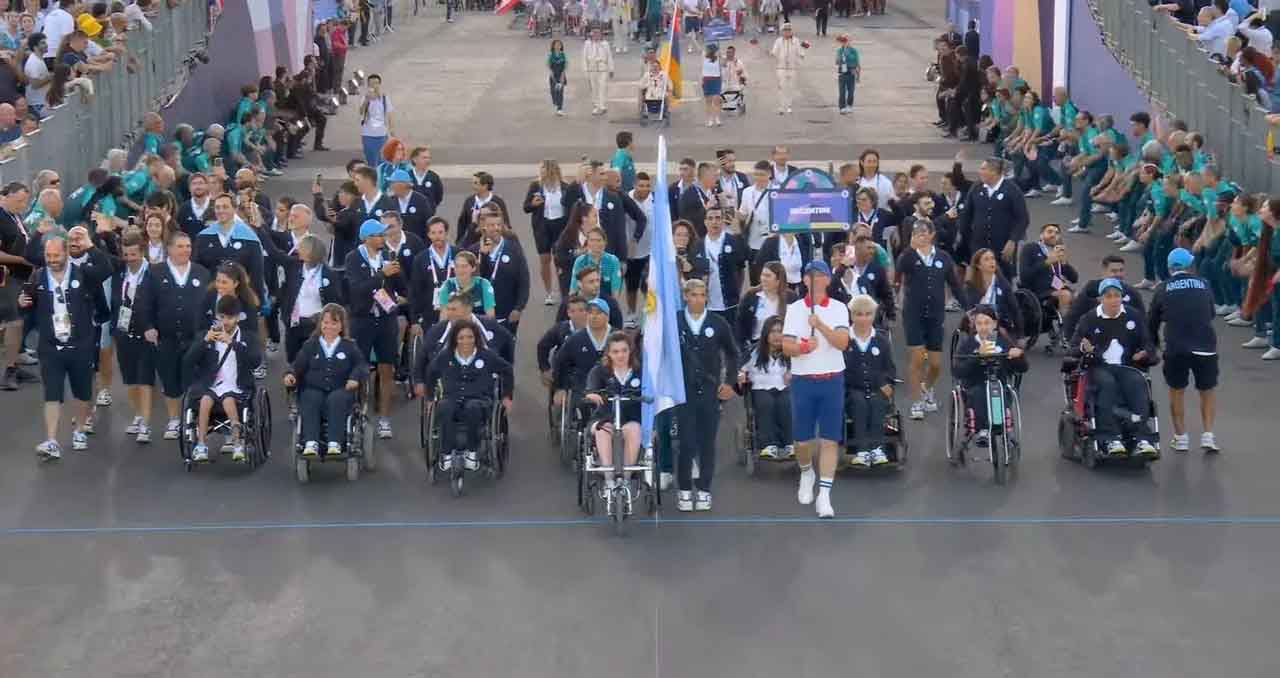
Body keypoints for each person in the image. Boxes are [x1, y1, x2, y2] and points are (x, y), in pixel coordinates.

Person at [21, 233, 113, 459]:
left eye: (56, 255)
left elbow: (107, 269)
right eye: (48, 255)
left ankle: (80, 430)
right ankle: (52, 440)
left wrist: (90, 246)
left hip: (80, 344)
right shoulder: (39, 277)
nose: (52, 259)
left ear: (66, 253)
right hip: (50, 346)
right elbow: (28, 307)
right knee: (52, 393)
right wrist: (22, 303)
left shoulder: (83, 274)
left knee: (82, 392)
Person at [782, 261, 850, 518]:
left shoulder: (839, 308)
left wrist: (820, 325)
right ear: (804, 281)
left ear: (828, 280)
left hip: (832, 379)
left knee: (830, 439)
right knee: (802, 440)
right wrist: (802, 348)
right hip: (803, 380)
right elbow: (786, 346)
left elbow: (842, 342)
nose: (816, 280)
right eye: (811, 276)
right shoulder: (794, 309)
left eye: (821, 275)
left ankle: (825, 494)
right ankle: (806, 471)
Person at [1070, 278, 1159, 458]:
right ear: (1101, 299)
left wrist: (1143, 353)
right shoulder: (1090, 319)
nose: (1113, 300)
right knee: (1107, 383)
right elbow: (1074, 345)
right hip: (1098, 366)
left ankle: (1142, 437)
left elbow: (1149, 343)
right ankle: (1109, 437)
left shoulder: (1133, 316)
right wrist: (1083, 348)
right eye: (1109, 296)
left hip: (1127, 366)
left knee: (1137, 382)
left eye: (1117, 296)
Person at [1148, 248, 1221, 453]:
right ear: (1190, 265)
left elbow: (1152, 320)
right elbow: (1211, 312)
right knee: (1207, 391)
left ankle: (1181, 438)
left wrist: (1152, 344)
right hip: (1205, 346)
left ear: (1170, 268)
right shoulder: (1204, 284)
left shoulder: (1163, 288)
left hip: (1176, 347)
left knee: (1176, 391)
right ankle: (1208, 435)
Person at [675, 279, 738, 512]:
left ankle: (704, 488)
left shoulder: (717, 323)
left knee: (707, 443)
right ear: (686, 296)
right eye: (694, 295)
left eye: (702, 295)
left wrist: (730, 382)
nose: (698, 299)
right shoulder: (676, 321)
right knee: (687, 441)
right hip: (683, 390)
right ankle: (683, 489)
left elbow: (733, 354)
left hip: (710, 390)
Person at [897, 219, 965, 420]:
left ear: (932, 234)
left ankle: (927, 388)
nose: (921, 235)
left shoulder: (943, 258)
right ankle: (916, 401)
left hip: (935, 315)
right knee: (917, 358)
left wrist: (969, 306)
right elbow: (900, 270)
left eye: (924, 232)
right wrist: (909, 249)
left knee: (935, 364)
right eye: (917, 232)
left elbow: (954, 284)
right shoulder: (909, 256)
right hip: (913, 314)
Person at [345, 219, 407, 439]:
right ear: (367, 238)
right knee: (359, 367)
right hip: (362, 319)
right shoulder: (353, 258)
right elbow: (357, 290)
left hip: (386, 320)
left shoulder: (389, 256)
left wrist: (399, 280)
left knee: (386, 367)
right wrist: (382, 275)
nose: (383, 238)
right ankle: (358, 411)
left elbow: (402, 287)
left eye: (383, 235)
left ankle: (384, 418)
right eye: (379, 235)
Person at [284, 303, 368, 458]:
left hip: (340, 388)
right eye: (326, 322)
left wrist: (354, 378)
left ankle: (335, 442)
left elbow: (361, 365)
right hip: (314, 388)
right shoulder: (311, 345)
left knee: (337, 399)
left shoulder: (349, 346)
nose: (329, 326)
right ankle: (310, 442)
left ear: (341, 326)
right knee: (309, 397)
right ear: (320, 324)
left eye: (334, 323)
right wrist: (290, 374)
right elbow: (298, 364)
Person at [183, 296, 260, 463]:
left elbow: (256, 362)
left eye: (230, 318)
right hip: (212, 384)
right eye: (222, 317)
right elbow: (188, 361)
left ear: (238, 317)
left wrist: (233, 343)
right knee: (204, 400)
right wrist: (204, 342)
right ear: (217, 316)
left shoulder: (248, 337)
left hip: (237, 385)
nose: (225, 322)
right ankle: (202, 444)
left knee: (228, 399)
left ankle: (237, 441)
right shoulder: (208, 335)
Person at [953, 305, 1028, 447]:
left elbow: (1023, 368)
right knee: (981, 392)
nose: (983, 327)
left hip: (999, 385)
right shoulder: (968, 344)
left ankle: (1003, 426)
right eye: (979, 323)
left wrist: (1018, 356)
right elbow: (957, 371)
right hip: (974, 386)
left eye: (987, 323)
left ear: (994, 324)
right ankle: (983, 430)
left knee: (1001, 391)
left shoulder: (1003, 342)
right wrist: (976, 356)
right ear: (974, 325)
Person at [109, 231, 157, 444]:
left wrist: (154, 327)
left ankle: (146, 423)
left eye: (133, 254)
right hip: (123, 330)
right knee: (129, 379)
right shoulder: (120, 272)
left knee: (144, 378)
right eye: (126, 254)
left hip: (146, 332)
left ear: (142, 251)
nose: (130, 259)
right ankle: (138, 415)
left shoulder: (154, 273)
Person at [583, 331, 643, 498]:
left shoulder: (639, 370)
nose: (620, 355)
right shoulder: (599, 371)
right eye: (615, 351)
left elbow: (650, 391)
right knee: (603, 431)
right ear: (609, 353)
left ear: (630, 351)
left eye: (624, 350)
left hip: (630, 417)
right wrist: (592, 394)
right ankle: (609, 480)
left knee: (635, 430)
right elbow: (589, 389)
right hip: (605, 416)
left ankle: (626, 479)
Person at [842, 294, 895, 465]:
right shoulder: (845, 340)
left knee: (877, 403)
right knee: (859, 403)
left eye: (867, 314)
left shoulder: (881, 340)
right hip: (853, 390)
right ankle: (862, 450)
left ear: (873, 315)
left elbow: (889, 368)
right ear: (852, 316)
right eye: (859, 314)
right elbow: (844, 370)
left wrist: (886, 383)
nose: (863, 318)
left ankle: (878, 448)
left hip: (877, 389)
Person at [957, 157, 1030, 281]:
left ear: (994, 172)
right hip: (979, 245)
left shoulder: (1012, 190)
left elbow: (1023, 218)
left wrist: (1013, 240)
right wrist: (966, 238)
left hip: (1003, 246)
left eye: (983, 169)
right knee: (979, 281)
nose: (980, 172)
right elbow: (966, 215)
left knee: (1004, 280)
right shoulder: (977, 188)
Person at [279, 234, 343, 364]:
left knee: (313, 364)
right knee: (293, 362)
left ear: (311, 252)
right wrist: (260, 229)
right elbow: (275, 254)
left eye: (302, 247)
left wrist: (323, 317)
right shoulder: (295, 266)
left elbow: (335, 302)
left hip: (316, 326)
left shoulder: (329, 274)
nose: (298, 249)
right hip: (295, 324)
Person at [739, 316, 793, 459]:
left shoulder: (791, 351)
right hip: (761, 388)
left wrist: (792, 375)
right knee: (766, 403)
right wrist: (741, 375)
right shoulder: (754, 352)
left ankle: (790, 444)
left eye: (780, 331)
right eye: (773, 331)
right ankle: (769, 445)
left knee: (786, 404)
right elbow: (740, 369)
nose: (777, 335)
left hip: (783, 388)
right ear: (766, 334)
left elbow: (802, 371)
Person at [195, 193, 266, 302]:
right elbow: (197, 269)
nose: (221, 210)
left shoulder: (250, 238)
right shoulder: (203, 237)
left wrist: (259, 304)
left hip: (240, 299)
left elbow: (256, 274)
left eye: (225, 207)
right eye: (217, 207)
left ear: (234, 209)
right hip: (210, 299)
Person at [552, 297, 615, 417]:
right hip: (582, 386)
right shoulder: (575, 339)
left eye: (599, 313)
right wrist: (561, 388)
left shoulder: (616, 337)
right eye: (590, 312)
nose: (594, 316)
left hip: (611, 385)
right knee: (581, 406)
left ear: (607, 316)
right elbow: (561, 363)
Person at [473, 208, 530, 336]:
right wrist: (484, 256)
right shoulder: (474, 250)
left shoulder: (513, 250)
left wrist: (518, 308)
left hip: (507, 312)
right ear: (484, 227)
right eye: (491, 225)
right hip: (480, 313)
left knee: (507, 350)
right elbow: (474, 280)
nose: (496, 228)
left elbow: (523, 280)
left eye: (498, 225)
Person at [1064, 254, 1147, 339]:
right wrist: (1068, 339)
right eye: (1114, 271)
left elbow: (1143, 321)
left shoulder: (1132, 293)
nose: (1118, 274)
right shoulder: (1091, 290)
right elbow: (1073, 316)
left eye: (1121, 270)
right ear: (1104, 272)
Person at [525, 160, 570, 305]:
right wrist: (533, 204)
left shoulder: (565, 187)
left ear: (553, 171)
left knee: (560, 260)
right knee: (544, 260)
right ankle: (549, 292)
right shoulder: (535, 186)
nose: (541, 172)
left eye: (544, 169)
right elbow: (526, 207)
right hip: (543, 226)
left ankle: (563, 290)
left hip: (561, 226)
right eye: (541, 169)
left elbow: (571, 207)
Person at [1019, 223, 1078, 324]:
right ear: (1041, 235)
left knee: (1081, 297)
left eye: (1056, 233)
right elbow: (1024, 276)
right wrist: (1046, 262)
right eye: (1049, 232)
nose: (1053, 235)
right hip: (1038, 290)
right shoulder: (1030, 248)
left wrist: (1064, 264)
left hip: (1057, 287)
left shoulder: (1058, 252)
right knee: (1066, 295)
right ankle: (1066, 331)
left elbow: (1074, 278)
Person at [736, 261, 798, 351]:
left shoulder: (791, 297)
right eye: (762, 275)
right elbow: (740, 323)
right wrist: (743, 346)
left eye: (768, 276)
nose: (763, 279)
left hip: (783, 347)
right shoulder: (751, 295)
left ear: (778, 280)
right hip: (756, 346)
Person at [409, 217, 457, 331]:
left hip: (455, 313)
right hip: (428, 316)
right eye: (433, 233)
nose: (437, 236)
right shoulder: (420, 259)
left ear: (446, 233)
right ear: (428, 235)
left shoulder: (458, 254)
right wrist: (415, 320)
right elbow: (415, 291)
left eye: (440, 232)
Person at [624, 172, 655, 325]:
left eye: (647, 185)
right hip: (632, 252)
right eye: (641, 185)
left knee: (648, 285)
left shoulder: (655, 199)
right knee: (631, 285)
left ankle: (649, 312)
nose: (645, 189)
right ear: (635, 185)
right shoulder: (626, 199)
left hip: (650, 251)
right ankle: (631, 313)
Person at [738, 160, 774, 282]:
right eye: (756, 174)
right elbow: (743, 214)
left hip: (772, 240)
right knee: (755, 278)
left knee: (772, 276)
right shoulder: (747, 192)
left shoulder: (776, 191)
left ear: (769, 174)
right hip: (753, 241)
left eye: (762, 175)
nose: (759, 178)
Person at [456, 171, 509, 247]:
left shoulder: (498, 202)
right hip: (472, 243)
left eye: (476, 183)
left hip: (493, 243)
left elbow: (505, 223)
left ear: (485, 186)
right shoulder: (469, 201)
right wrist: (459, 241)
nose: (473, 186)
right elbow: (462, 224)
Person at [436, 250, 495, 317]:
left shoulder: (483, 284)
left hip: (478, 324)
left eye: (464, 266)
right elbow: (444, 316)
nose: (460, 270)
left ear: (473, 268)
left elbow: (490, 316)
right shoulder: (447, 285)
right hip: (455, 325)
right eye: (457, 266)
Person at [570, 227, 623, 297]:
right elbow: (573, 289)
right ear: (587, 242)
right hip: (585, 301)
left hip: (606, 302)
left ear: (605, 242)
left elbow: (615, 291)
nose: (595, 243)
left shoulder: (613, 261)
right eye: (592, 240)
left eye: (599, 240)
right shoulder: (580, 261)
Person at [358, 74, 393, 167]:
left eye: (376, 83)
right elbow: (361, 112)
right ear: (368, 85)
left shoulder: (385, 98)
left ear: (380, 84)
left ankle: (381, 178)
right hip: (368, 133)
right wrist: (367, 100)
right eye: (371, 84)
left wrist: (391, 128)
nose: (374, 86)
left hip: (381, 133)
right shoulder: (365, 98)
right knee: (370, 158)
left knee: (382, 158)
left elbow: (389, 114)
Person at [771, 23, 806, 115]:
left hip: (792, 67)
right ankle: (782, 106)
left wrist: (802, 55)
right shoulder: (778, 41)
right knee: (782, 87)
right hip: (781, 67)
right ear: (782, 32)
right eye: (785, 30)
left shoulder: (796, 41)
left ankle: (789, 106)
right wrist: (773, 55)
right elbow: (774, 52)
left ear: (791, 31)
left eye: (789, 30)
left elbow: (800, 52)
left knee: (791, 87)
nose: (787, 32)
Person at [582, 28, 614, 116]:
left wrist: (611, 69)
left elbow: (609, 56)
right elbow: (584, 58)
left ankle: (602, 105)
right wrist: (585, 70)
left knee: (602, 86)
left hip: (602, 67)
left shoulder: (605, 44)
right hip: (592, 68)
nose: (596, 35)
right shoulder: (587, 44)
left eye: (598, 33)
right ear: (591, 34)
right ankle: (596, 106)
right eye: (594, 33)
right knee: (594, 88)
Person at [835, 33, 860, 114]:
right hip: (842, 72)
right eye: (844, 41)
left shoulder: (854, 51)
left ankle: (849, 105)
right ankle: (842, 107)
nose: (845, 42)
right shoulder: (839, 50)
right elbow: (837, 62)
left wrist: (858, 76)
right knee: (842, 91)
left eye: (847, 40)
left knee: (851, 91)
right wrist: (840, 58)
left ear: (850, 41)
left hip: (851, 71)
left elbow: (856, 62)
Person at [702, 43, 723, 127]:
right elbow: (698, 47)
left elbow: (724, 64)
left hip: (716, 79)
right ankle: (710, 119)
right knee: (708, 101)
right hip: (707, 79)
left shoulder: (718, 57)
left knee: (717, 99)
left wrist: (721, 56)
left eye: (708, 49)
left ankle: (717, 118)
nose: (707, 50)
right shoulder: (703, 56)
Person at [548, 38, 569, 116]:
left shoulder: (563, 55)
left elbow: (566, 65)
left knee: (560, 92)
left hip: (561, 75)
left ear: (561, 46)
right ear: (553, 46)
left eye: (559, 45)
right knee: (553, 91)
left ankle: (560, 109)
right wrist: (551, 73)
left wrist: (563, 76)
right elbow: (548, 65)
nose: (557, 46)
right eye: (556, 45)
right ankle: (555, 102)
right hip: (553, 75)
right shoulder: (551, 55)